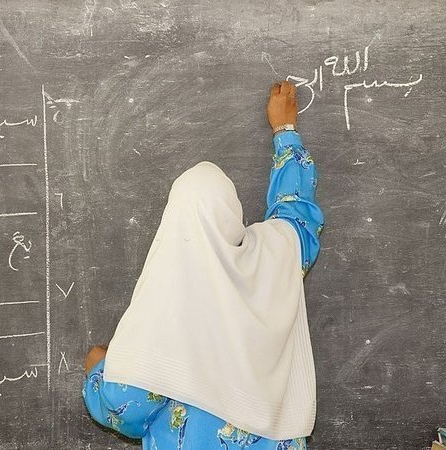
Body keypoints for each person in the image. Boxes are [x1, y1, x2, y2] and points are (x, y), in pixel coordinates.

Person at [82, 80, 324, 450]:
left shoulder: (167, 307)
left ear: (172, 222)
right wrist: (285, 130)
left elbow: (124, 408)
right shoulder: (272, 264)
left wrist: (97, 369)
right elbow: (297, 216)